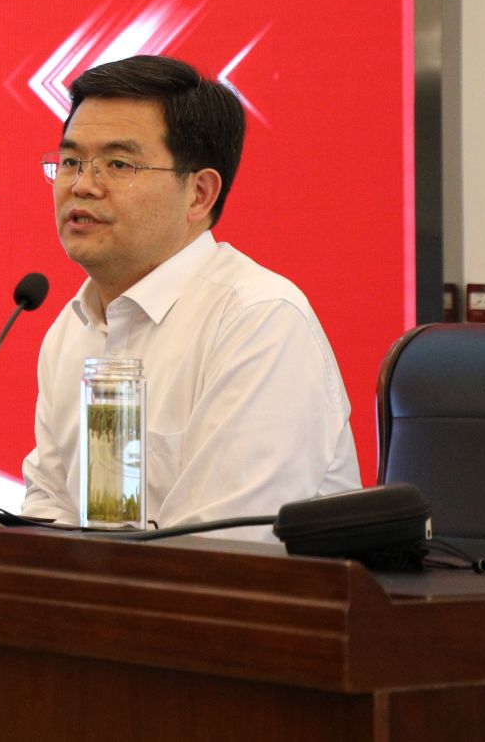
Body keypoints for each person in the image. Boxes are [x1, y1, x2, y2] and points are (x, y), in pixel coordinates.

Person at [19, 54, 359, 534]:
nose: (82, 186)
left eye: (118, 164)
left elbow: (222, 542)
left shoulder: (258, 321)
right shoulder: (73, 330)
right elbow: (48, 503)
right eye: (71, 162)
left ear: (199, 194)